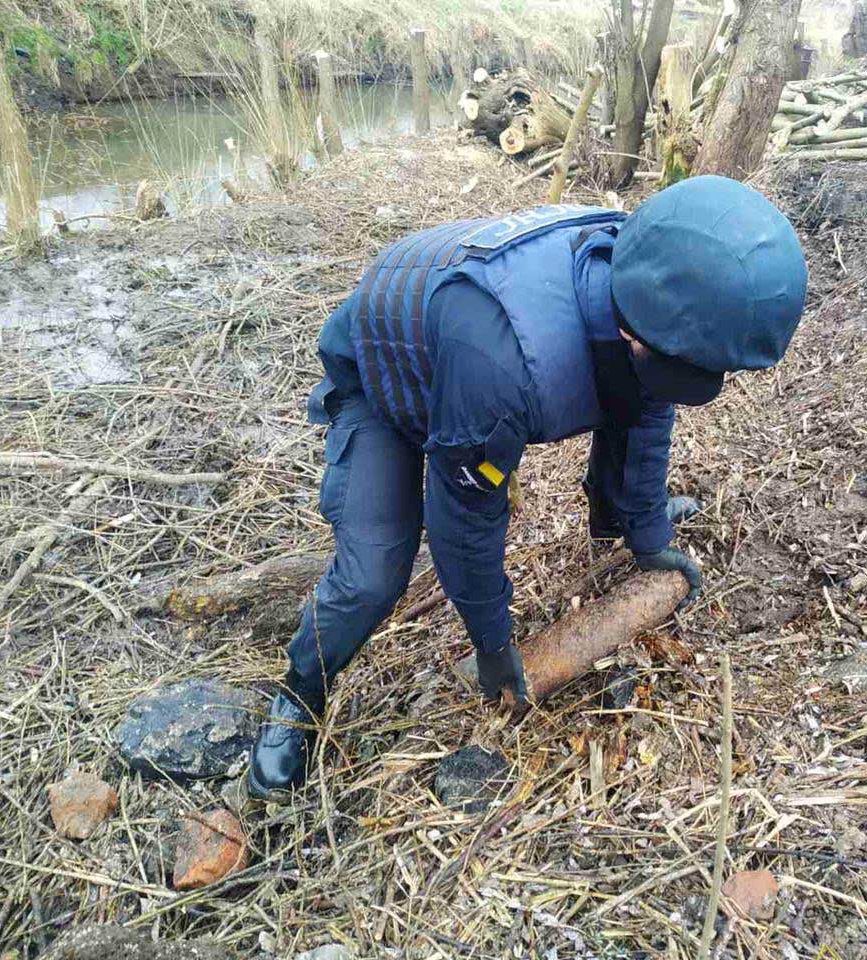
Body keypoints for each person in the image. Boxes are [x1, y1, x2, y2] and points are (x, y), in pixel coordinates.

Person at [248, 175, 808, 799]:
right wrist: (491, 642)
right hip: (384, 375)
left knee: (626, 406)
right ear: (635, 337)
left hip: (463, 353)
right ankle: (297, 696)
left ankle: (613, 523)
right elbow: (464, 521)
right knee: (376, 571)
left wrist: (648, 539)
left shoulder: (654, 284)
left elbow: (647, 417)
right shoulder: (506, 362)